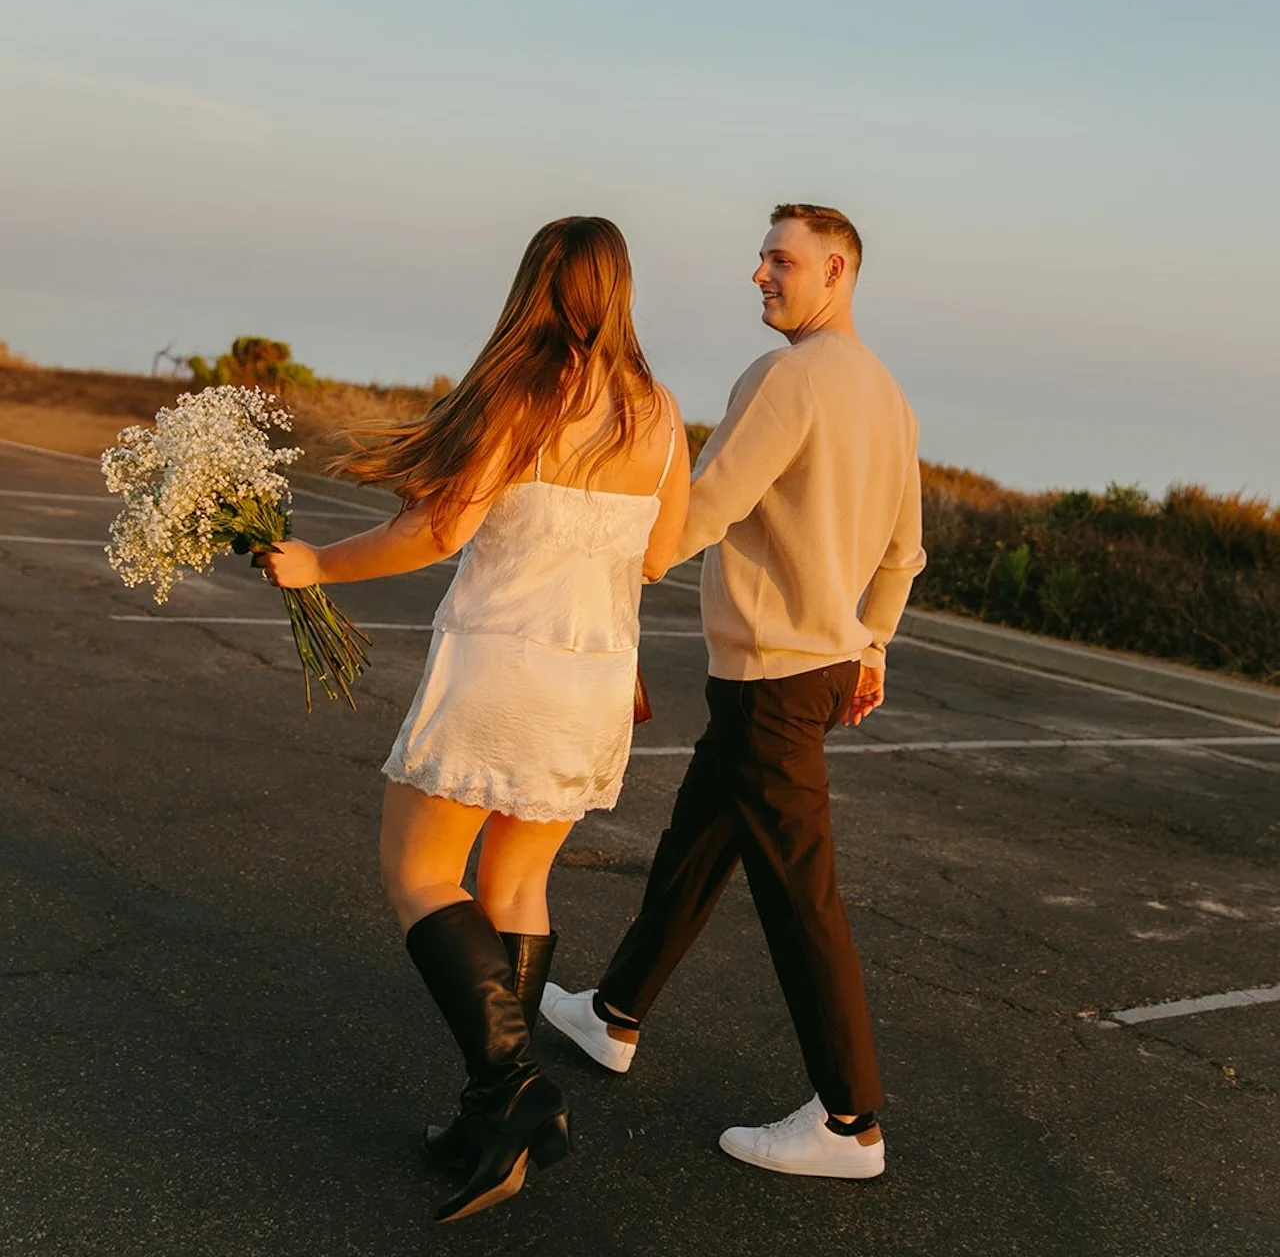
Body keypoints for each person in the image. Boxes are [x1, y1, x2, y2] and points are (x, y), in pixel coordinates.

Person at [257, 216, 690, 1223]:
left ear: (539, 283)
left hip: (501, 668)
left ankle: (514, 1088)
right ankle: (490, 1109)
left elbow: (440, 529)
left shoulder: (523, 391)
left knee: (417, 874)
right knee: (516, 879)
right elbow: (661, 555)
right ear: (617, 290)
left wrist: (316, 563)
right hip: (593, 682)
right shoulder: (658, 412)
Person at [542, 202, 925, 1182]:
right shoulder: (887, 396)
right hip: (807, 668)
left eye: (779, 260)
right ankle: (613, 1015)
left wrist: (605, 561)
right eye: (761, 256)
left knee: (802, 897)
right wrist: (870, 643)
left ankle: (849, 1122)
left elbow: (707, 504)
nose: (760, 273)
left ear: (835, 270)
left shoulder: (786, 378)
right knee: (694, 847)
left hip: (775, 676)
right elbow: (902, 555)